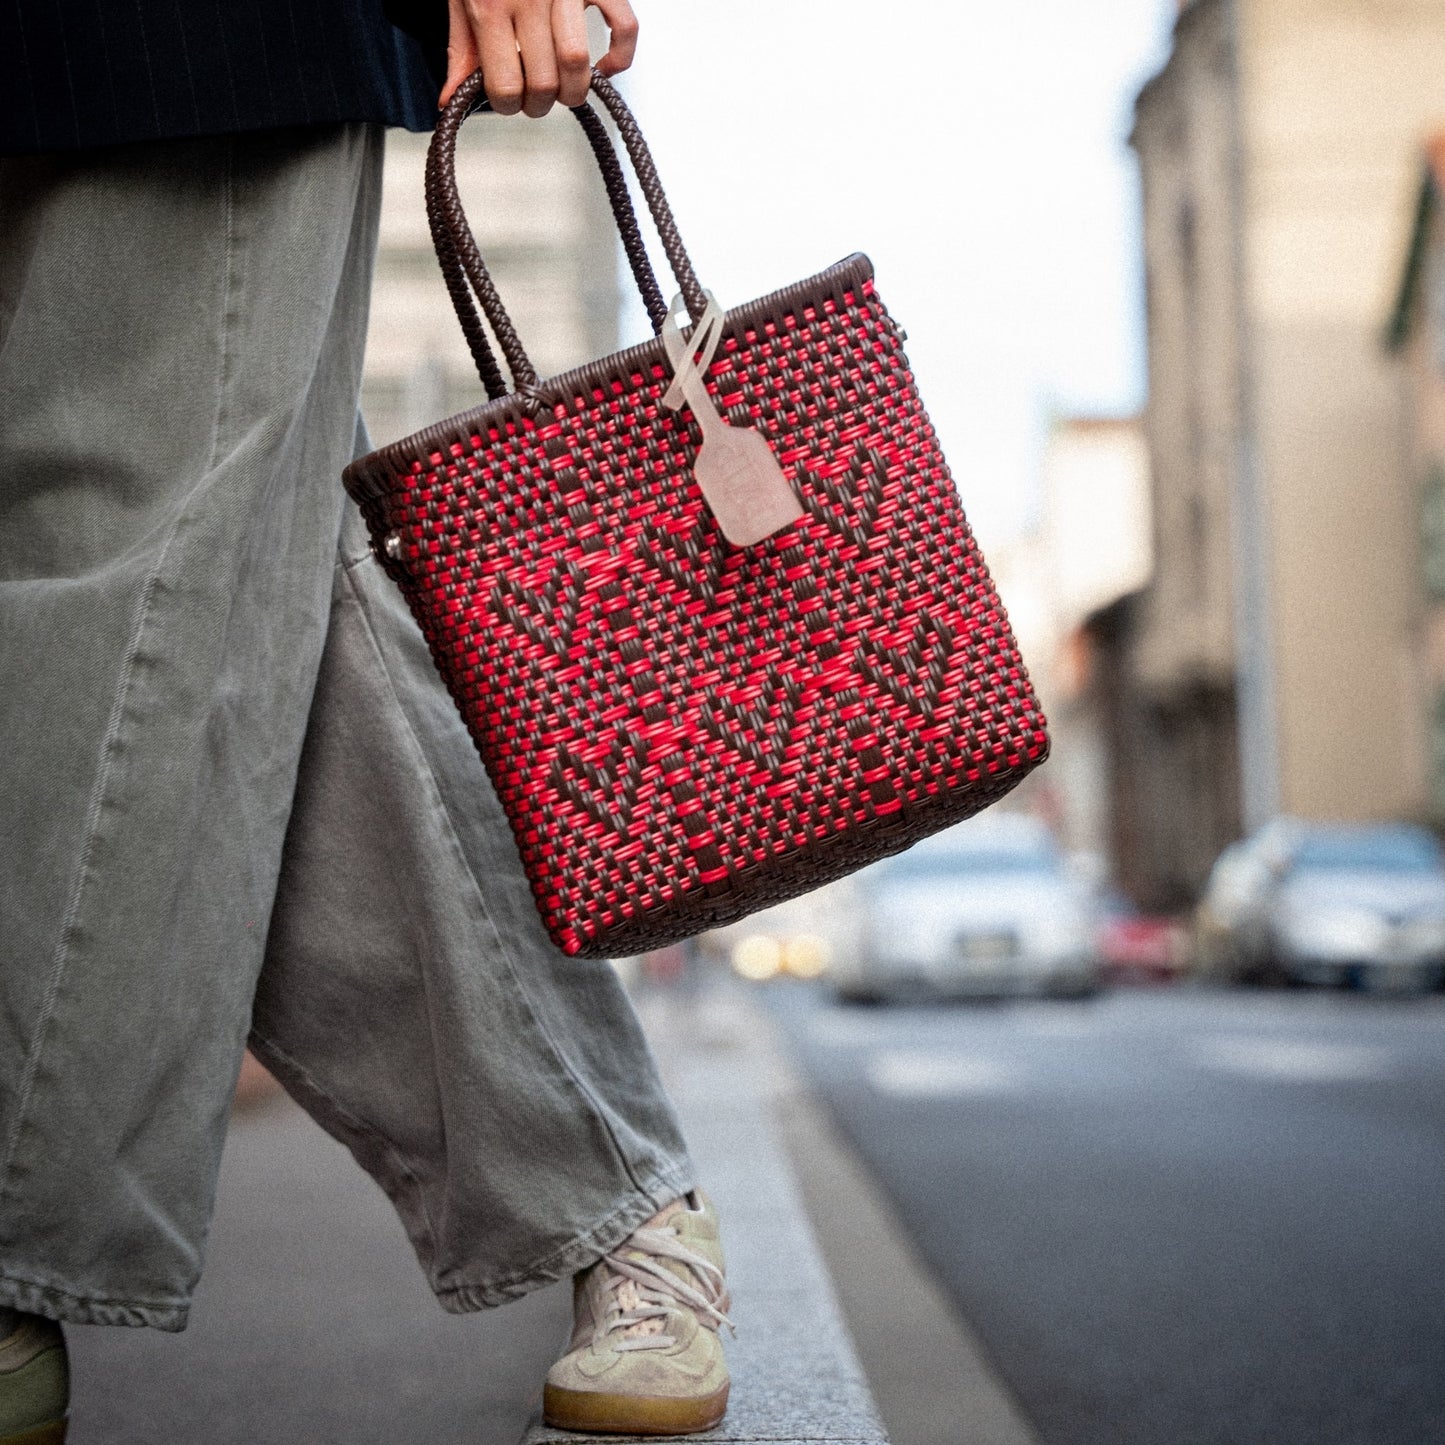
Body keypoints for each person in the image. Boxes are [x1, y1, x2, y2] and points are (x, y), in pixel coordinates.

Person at [0, 1, 733, 1439]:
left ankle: (15, 1262)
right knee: (241, 567)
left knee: (148, 550)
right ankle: (617, 1199)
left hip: (175, 49)